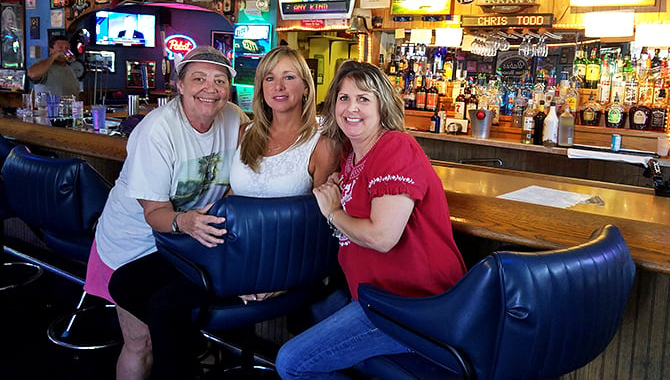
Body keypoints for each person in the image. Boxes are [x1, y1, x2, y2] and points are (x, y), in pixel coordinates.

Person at [276, 60, 467, 378]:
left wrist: (334, 212)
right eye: (343, 98)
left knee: (293, 363)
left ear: (383, 106)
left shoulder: (395, 146)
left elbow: (382, 236)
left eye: (364, 98)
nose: (351, 107)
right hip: (376, 300)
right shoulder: (351, 155)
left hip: (412, 306)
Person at [83, 45, 248, 380]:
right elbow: (155, 212)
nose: (210, 88)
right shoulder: (158, 130)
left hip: (184, 246)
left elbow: (254, 163)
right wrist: (185, 221)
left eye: (219, 81)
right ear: (180, 85)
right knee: (140, 342)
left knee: (170, 329)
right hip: (134, 244)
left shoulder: (233, 117)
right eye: (198, 78)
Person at [229, 45, 340, 301]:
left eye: (288, 77)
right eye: (270, 78)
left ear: (306, 88)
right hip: (235, 251)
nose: (278, 86)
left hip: (287, 260)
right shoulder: (244, 133)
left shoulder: (323, 144)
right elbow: (234, 194)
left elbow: (323, 223)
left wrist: (289, 277)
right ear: (261, 88)